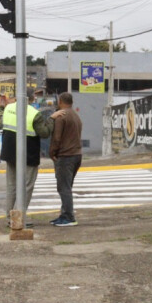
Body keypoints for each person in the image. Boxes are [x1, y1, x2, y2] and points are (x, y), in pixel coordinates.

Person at [2, 87, 40, 228]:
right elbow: (44, 132)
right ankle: (18, 217)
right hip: (28, 154)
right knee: (27, 186)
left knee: (11, 186)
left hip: (9, 152)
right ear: (30, 98)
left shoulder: (8, 108)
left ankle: (9, 217)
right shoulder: (34, 113)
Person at [48, 92, 83, 227]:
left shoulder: (61, 116)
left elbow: (56, 138)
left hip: (65, 156)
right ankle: (64, 214)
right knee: (66, 186)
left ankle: (69, 216)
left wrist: (52, 153)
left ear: (60, 101)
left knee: (64, 187)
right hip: (77, 155)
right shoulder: (76, 116)